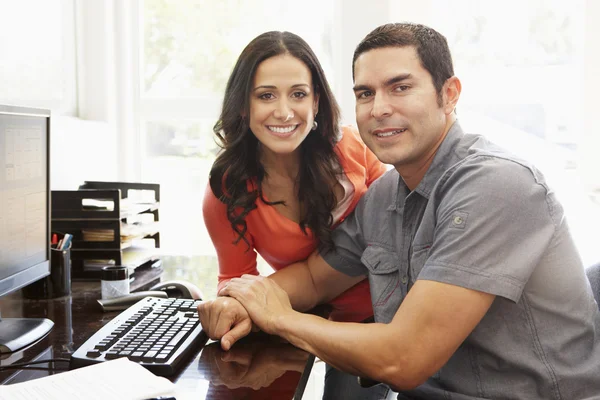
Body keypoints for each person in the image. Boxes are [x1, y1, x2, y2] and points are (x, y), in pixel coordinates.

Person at [199, 22, 600, 400]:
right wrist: (242, 302)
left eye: (400, 87)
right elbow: (314, 278)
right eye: (365, 94)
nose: (378, 109)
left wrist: (279, 317)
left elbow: (404, 357)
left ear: (450, 94)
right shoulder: (384, 196)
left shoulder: (496, 186)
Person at [203, 31, 389, 399]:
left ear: (316, 101)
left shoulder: (353, 148)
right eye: (266, 95)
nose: (285, 112)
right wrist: (224, 307)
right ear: (243, 105)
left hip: (385, 318)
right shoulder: (226, 191)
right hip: (304, 320)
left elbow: (396, 230)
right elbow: (240, 285)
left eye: (299, 94)